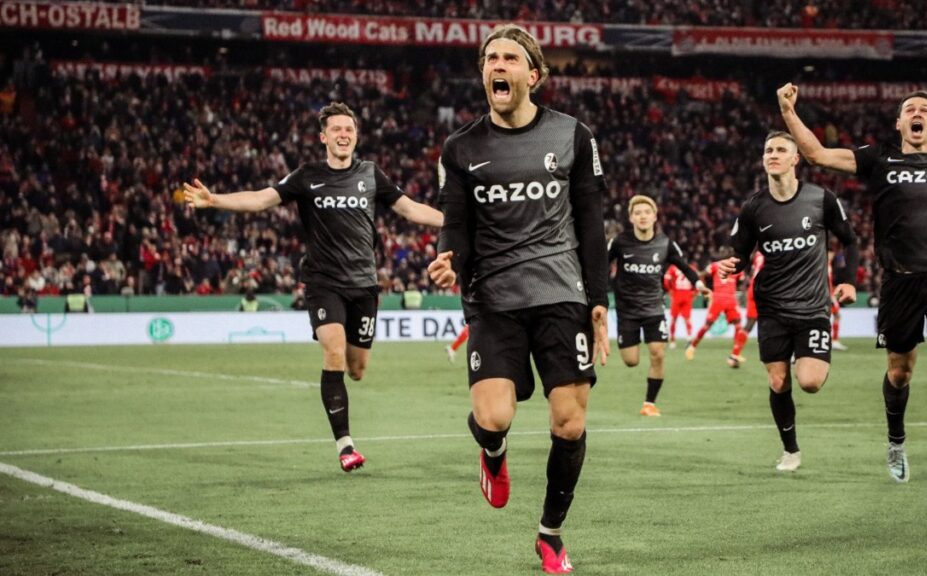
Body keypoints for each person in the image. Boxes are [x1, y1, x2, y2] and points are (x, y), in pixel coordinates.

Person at [427, 24, 609, 575]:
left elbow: (592, 223)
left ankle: (550, 534)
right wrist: (447, 258)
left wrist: (598, 300)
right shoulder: (460, 148)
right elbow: (455, 226)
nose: (496, 65)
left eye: (508, 57)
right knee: (495, 416)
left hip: (561, 293)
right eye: (489, 58)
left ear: (533, 74)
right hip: (493, 299)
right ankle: (493, 451)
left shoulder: (573, 135)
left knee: (569, 424)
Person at [778, 83, 927, 482]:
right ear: (899, 122)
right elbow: (817, 154)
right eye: (910, 109)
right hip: (899, 282)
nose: (917, 114)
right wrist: (789, 112)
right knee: (900, 373)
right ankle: (896, 441)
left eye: (924, 110)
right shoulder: (878, 158)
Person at [184, 101, 443, 474]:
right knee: (333, 353)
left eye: (349, 130)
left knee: (357, 369)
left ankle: (346, 426)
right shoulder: (307, 176)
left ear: (356, 136)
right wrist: (214, 200)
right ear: (323, 137)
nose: (343, 135)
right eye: (336, 129)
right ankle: (346, 445)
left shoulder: (371, 175)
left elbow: (411, 209)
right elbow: (261, 199)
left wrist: (453, 223)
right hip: (324, 283)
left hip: (364, 285)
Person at [717, 130, 859, 472]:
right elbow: (741, 255)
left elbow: (849, 241)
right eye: (768, 150)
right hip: (773, 309)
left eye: (781, 149)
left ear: (796, 159)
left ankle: (807, 357)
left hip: (812, 307)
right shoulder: (753, 207)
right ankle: (791, 450)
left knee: (809, 382)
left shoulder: (821, 199)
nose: (773, 154)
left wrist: (848, 281)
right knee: (778, 380)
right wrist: (731, 266)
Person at [608, 194, 707, 416]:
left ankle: (649, 404)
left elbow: (684, 266)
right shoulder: (620, 242)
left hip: (653, 308)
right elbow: (601, 265)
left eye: (646, 212)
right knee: (631, 361)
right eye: (637, 213)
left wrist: (698, 284)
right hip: (627, 311)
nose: (642, 216)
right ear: (631, 218)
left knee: (658, 354)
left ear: (654, 216)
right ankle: (634, 351)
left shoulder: (665, 243)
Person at [685, 255, 749, 367]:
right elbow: (743, 280)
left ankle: (735, 354)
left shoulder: (716, 265)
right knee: (707, 325)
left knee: (738, 325)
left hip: (730, 298)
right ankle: (692, 347)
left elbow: (702, 274)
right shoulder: (729, 266)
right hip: (719, 298)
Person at [664, 263, 697, 348]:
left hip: (677, 295)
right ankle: (689, 339)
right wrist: (695, 293)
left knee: (674, 319)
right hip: (687, 295)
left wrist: (670, 290)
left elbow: (666, 280)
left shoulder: (673, 267)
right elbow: (697, 280)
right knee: (687, 319)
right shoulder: (691, 267)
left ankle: (672, 341)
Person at [743, 250, 765, 336]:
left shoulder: (757, 254)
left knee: (750, 322)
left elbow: (752, 271)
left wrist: (745, 286)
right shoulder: (773, 253)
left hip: (752, 287)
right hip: (763, 287)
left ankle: (736, 348)